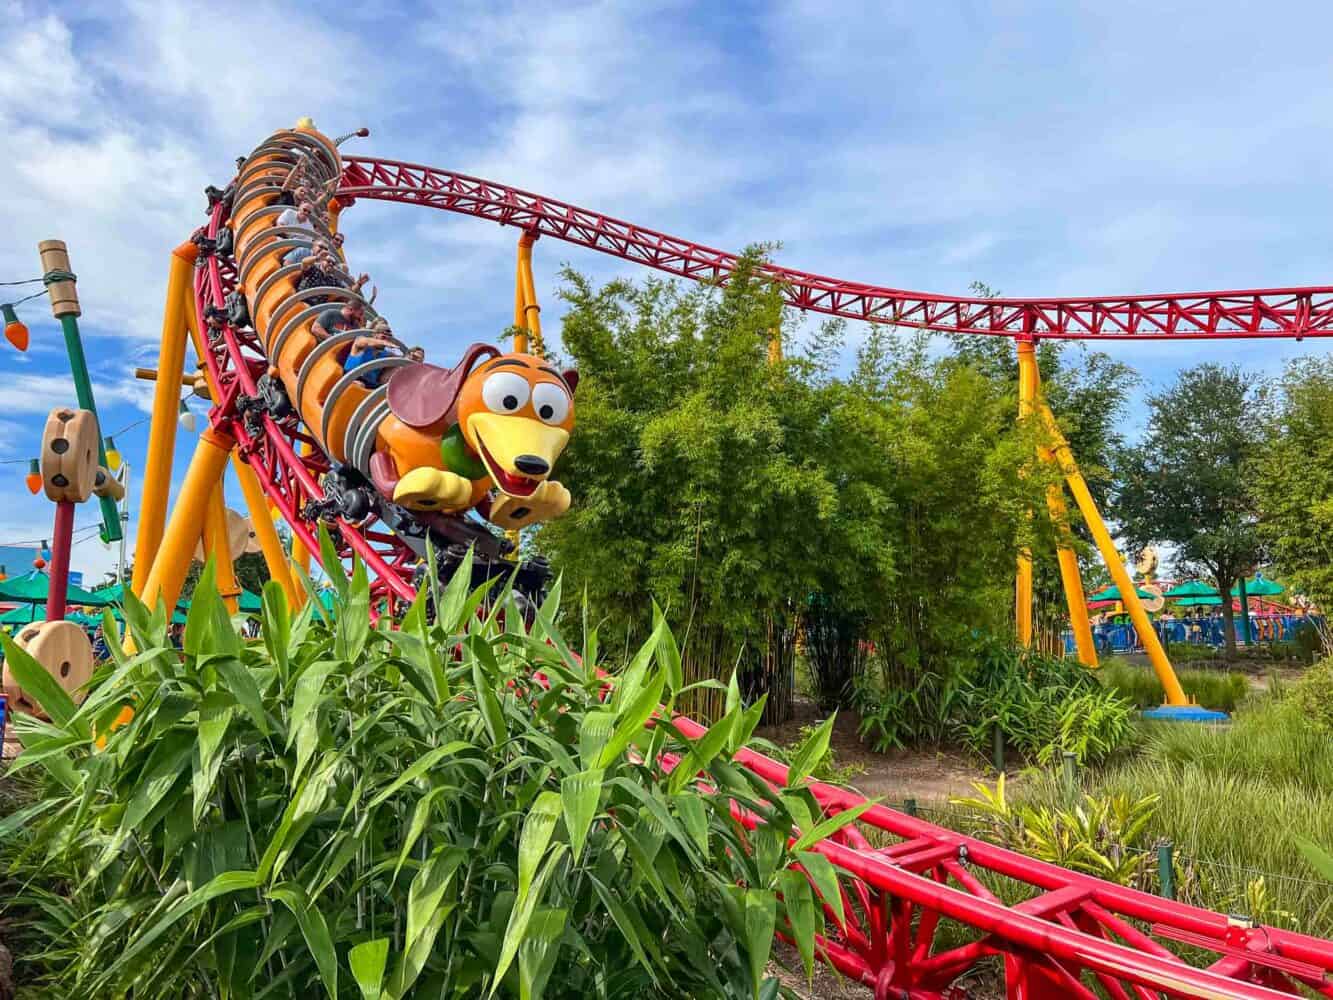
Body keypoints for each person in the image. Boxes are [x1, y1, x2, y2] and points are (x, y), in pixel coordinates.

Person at [343, 318, 399, 387]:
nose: (387, 339)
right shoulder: (361, 341)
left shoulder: (387, 355)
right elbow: (365, 341)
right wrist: (383, 342)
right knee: (360, 385)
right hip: (351, 377)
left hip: (371, 385)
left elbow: (401, 360)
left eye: (389, 337)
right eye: (384, 336)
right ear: (375, 335)